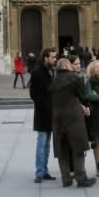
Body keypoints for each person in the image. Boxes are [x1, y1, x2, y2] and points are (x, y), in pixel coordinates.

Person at [50, 58, 95, 188]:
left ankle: (66, 179)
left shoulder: (53, 80)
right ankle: (81, 178)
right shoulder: (75, 78)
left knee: (62, 148)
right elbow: (83, 96)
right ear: (67, 65)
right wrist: (86, 107)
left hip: (57, 116)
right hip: (73, 115)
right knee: (79, 147)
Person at [29, 46, 57, 183]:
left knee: (46, 144)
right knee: (41, 143)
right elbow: (33, 94)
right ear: (45, 57)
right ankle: (39, 172)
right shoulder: (38, 72)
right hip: (42, 113)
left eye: (55, 57)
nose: (54, 59)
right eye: (52, 57)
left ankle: (44, 170)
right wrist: (46, 105)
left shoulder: (51, 71)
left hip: (50, 112)